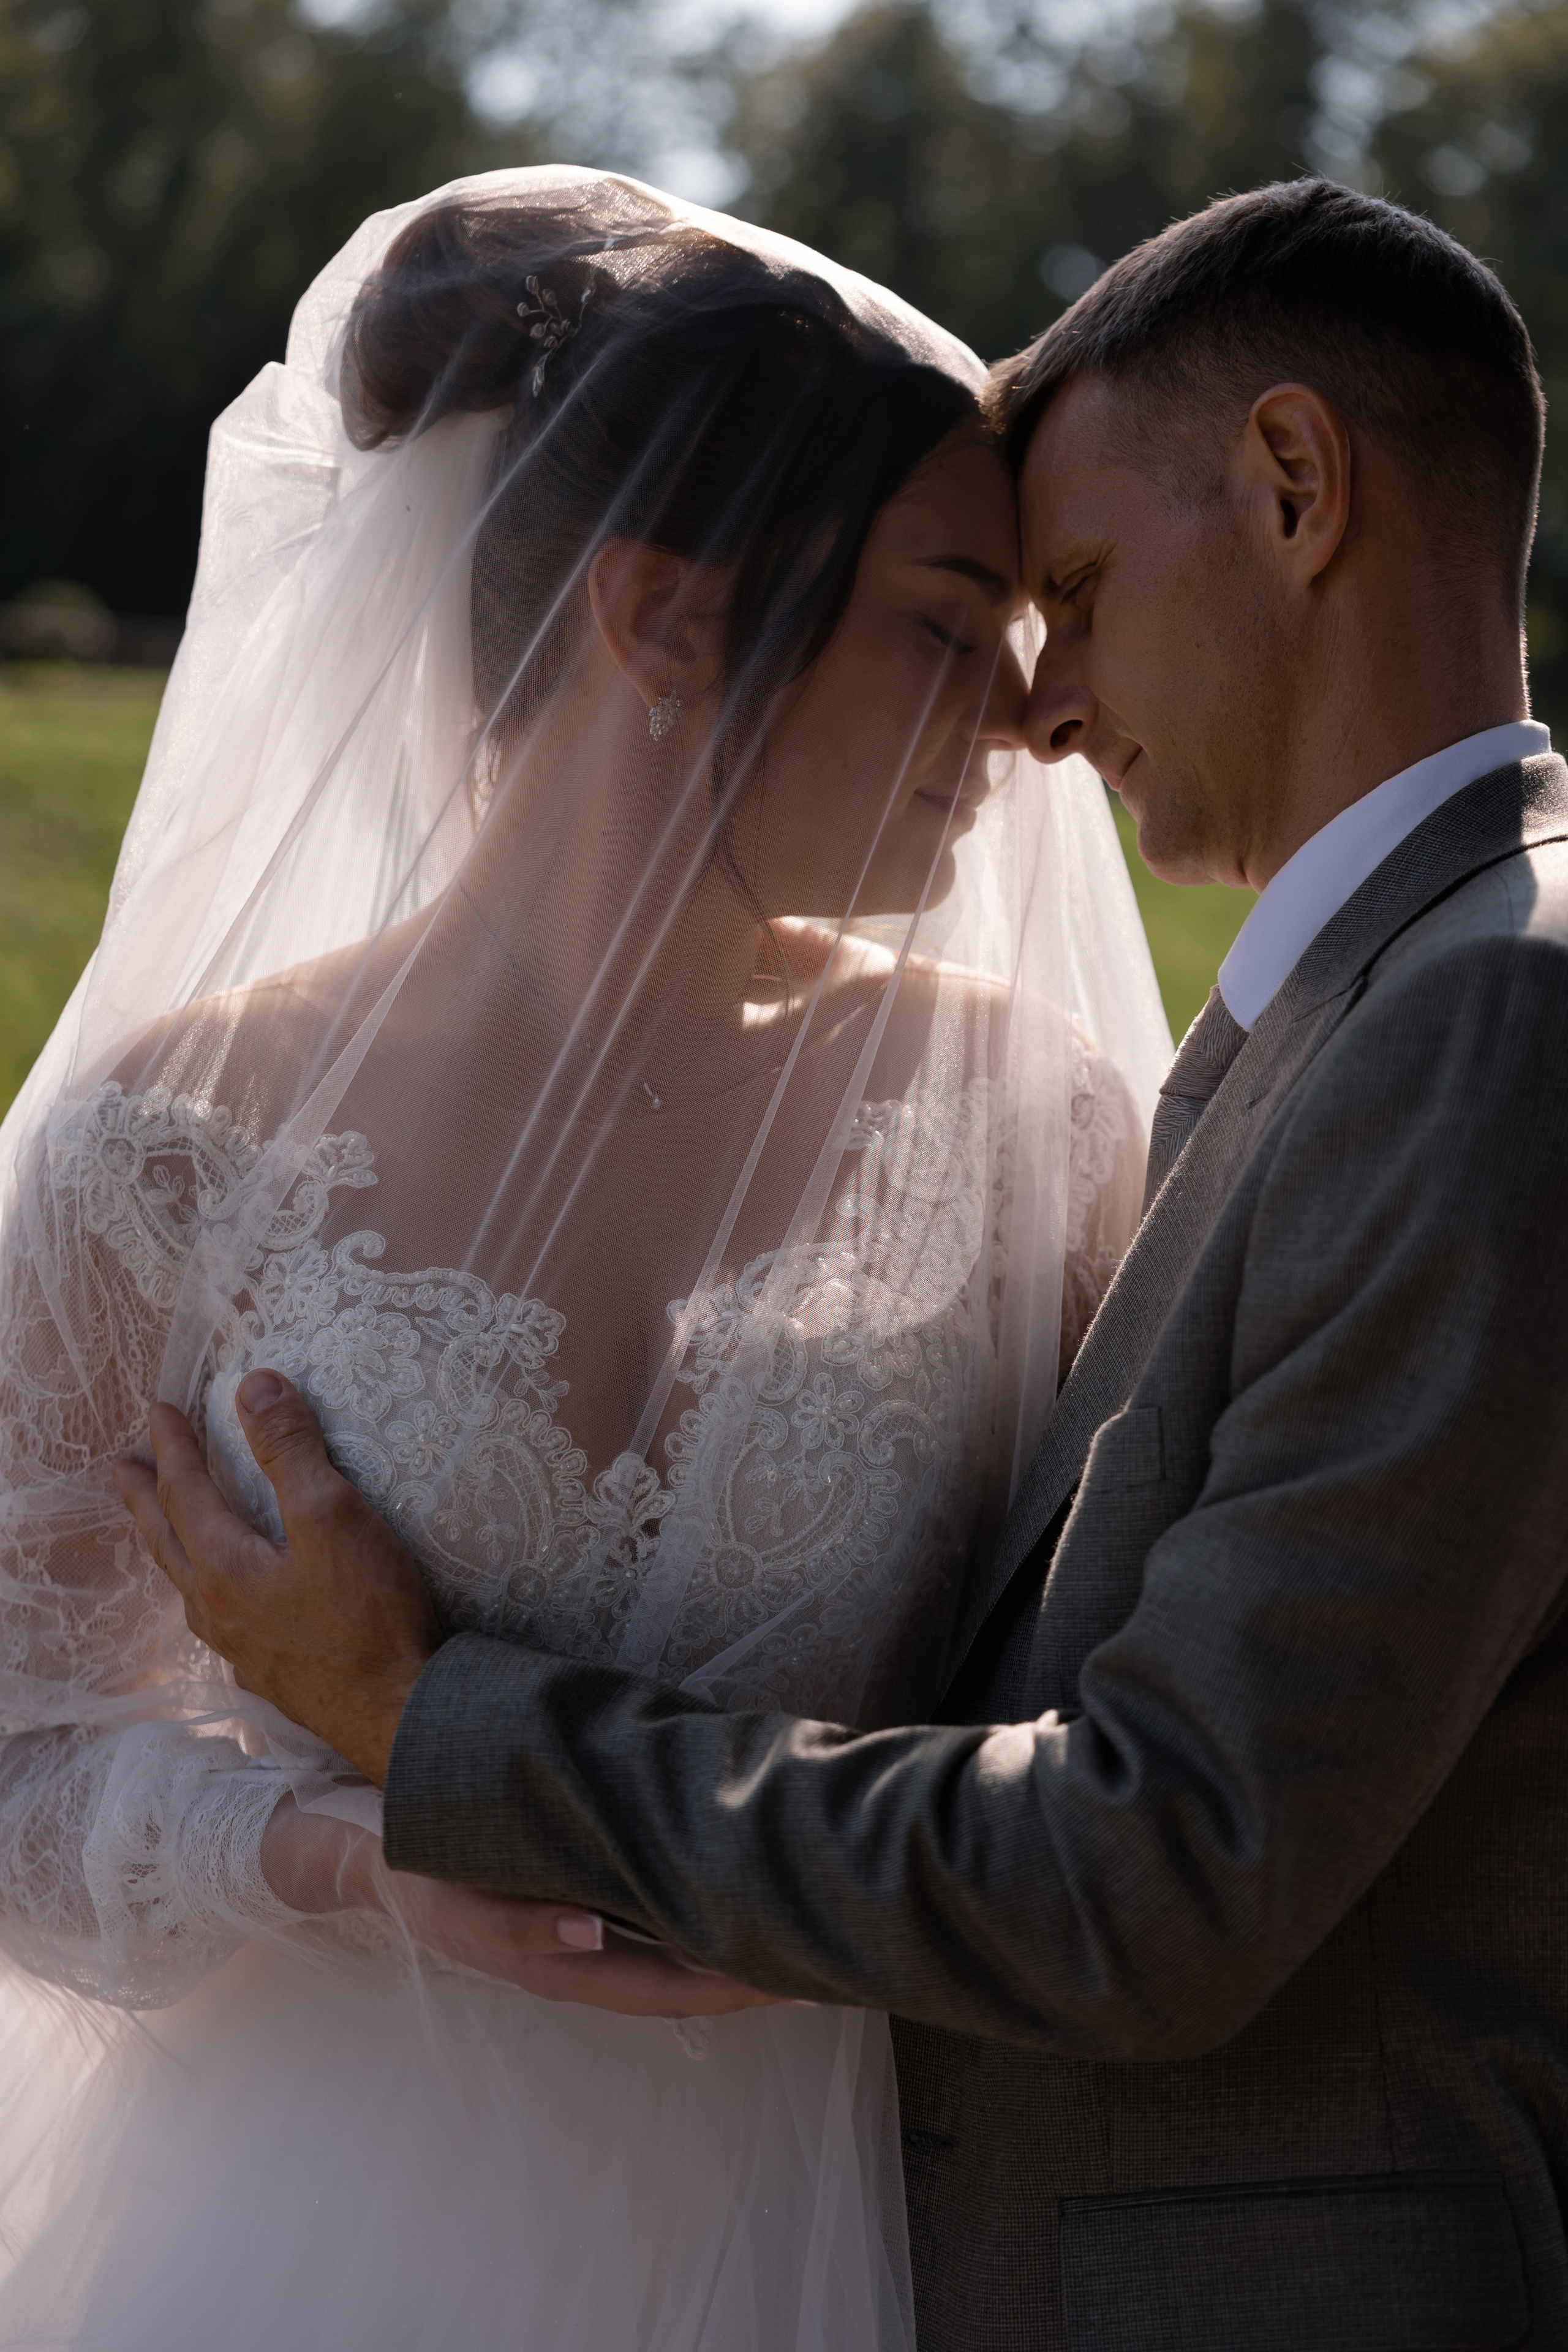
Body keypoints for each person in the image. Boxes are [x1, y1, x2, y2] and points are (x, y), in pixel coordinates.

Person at [143, 177, 1568, 2347]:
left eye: (1073, 589)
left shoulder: (1484, 1016)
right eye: (991, 615)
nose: (1042, 709)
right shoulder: (1395, 1001)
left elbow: (1155, 1863)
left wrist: (431, 1724)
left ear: (1293, 485)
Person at [0, 169, 1166, 2348]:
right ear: (662, 618)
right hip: (285, 2226)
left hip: (848, 2220)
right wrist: (360, 1860)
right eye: (945, 619)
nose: (1023, 726)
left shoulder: (1036, 1134)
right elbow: (15, 1750)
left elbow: (1117, 1741)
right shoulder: (173, 1147)